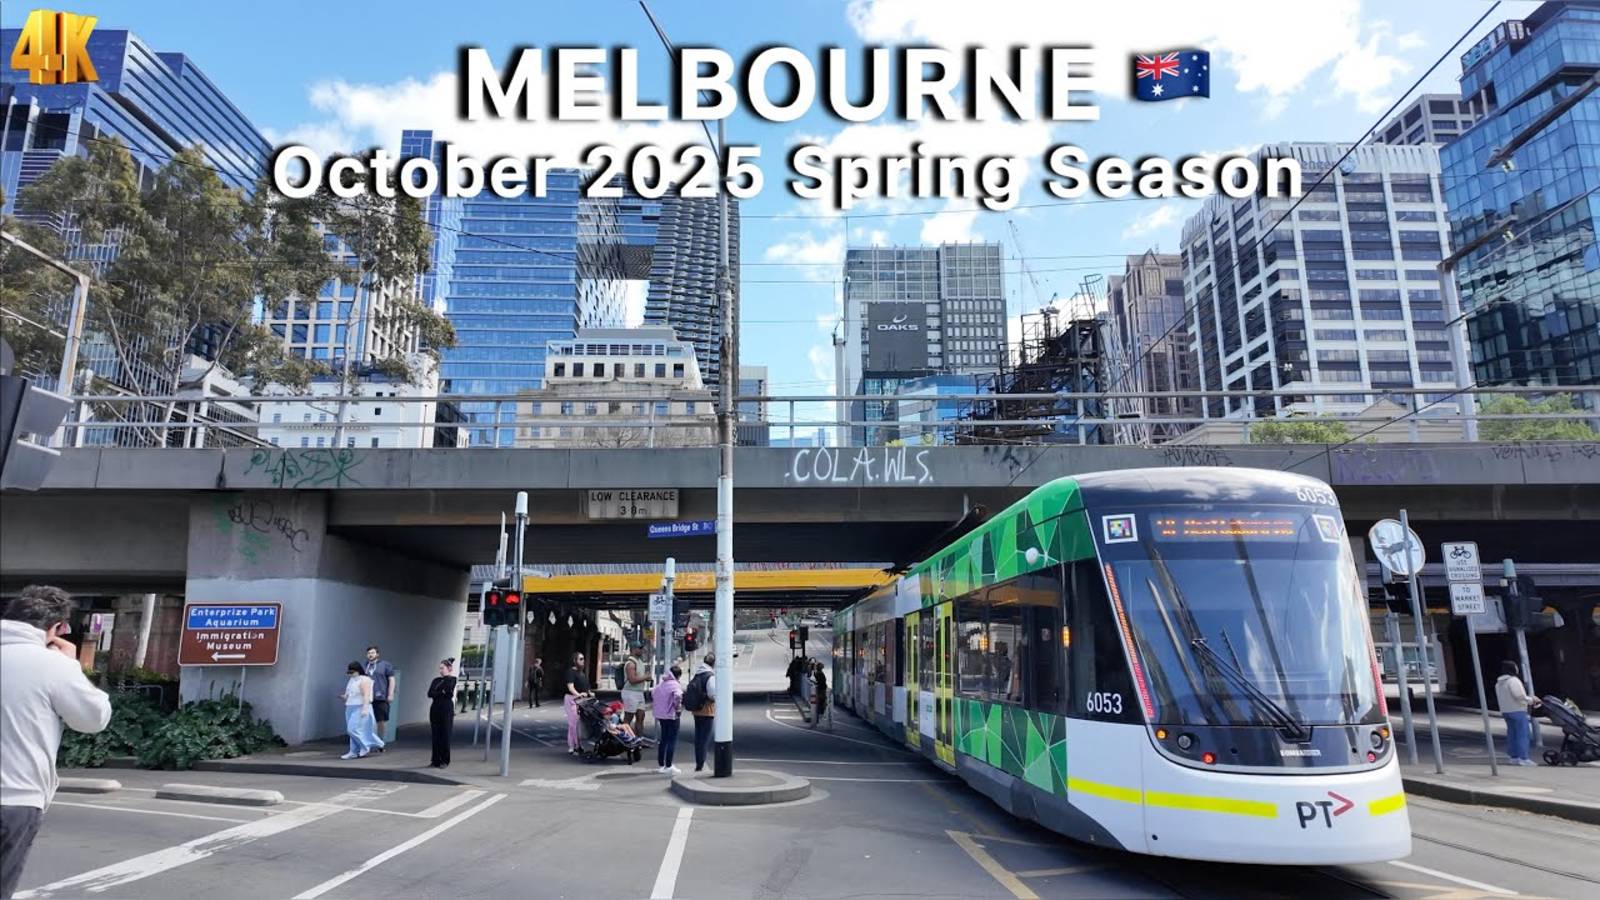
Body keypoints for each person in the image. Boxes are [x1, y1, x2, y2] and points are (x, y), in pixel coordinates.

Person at [1, 586, 112, 900]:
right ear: (57, 628)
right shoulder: (54, 666)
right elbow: (93, 719)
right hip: (15, 798)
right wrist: (72, 666)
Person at [1496, 660, 1541, 766]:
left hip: (1506, 711)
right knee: (1523, 734)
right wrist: (1531, 700)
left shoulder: (1499, 683)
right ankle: (1523, 757)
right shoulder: (1513, 680)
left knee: (1512, 734)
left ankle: (1514, 757)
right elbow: (1519, 696)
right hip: (1517, 710)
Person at [339, 662, 378, 760]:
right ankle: (353, 751)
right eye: (349, 673)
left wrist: (365, 708)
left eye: (352, 672)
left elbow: (366, 694)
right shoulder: (352, 680)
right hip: (350, 706)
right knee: (351, 731)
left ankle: (365, 746)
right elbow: (349, 693)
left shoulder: (365, 680)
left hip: (360, 706)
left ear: (358, 671)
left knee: (352, 729)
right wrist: (344, 697)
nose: (350, 674)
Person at [686, 652, 717, 772]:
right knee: (704, 738)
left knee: (698, 738)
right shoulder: (710, 676)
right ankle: (700, 763)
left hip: (696, 710)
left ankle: (698, 761)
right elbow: (712, 694)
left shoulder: (697, 674)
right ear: (713, 663)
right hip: (707, 710)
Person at [363, 645, 395, 751]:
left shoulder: (385, 665)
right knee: (367, 721)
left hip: (381, 697)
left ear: (377, 654)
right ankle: (368, 743)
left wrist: (390, 694)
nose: (370, 655)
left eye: (372, 653)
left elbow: (391, 680)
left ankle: (380, 743)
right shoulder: (365, 666)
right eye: (368, 653)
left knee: (381, 721)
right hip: (368, 698)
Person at [653, 664, 684, 775]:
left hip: (661, 716)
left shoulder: (661, 684)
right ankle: (669, 765)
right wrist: (678, 708)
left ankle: (661, 764)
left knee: (664, 739)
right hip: (671, 715)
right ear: (678, 675)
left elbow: (653, 693)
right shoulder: (675, 685)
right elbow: (678, 696)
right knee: (672, 740)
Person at [427, 658, 458, 769]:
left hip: (446, 709)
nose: (440, 670)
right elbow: (430, 693)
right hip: (435, 708)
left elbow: (449, 692)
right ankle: (435, 759)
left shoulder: (452, 679)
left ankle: (445, 760)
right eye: (440, 668)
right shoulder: (436, 680)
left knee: (445, 734)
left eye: (442, 668)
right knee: (435, 734)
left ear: (449, 668)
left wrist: (438, 692)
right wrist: (441, 692)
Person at [563, 651, 593, 754]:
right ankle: (573, 746)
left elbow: (586, 687)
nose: (583, 661)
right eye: (580, 659)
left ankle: (577, 745)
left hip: (582, 701)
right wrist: (578, 694)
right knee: (573, 723)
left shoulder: (582, 673)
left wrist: (589, 693)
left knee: (578, 723)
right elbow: (570, 687)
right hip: (572, 699)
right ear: (574, 660)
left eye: (583, 659)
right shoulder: (571, 672)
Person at [621, 643, 651, 736]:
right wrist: (645, 677)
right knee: (629, 716)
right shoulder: (630, 663)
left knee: (641, 716)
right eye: (639, 648)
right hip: (630, 692)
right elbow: (632, 680)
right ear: (633, 649)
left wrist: (646, 677)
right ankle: (623, 737)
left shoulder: (640, 662)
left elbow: (640, 677)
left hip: (639, 692)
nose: (642, 650)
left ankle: (639, 738)